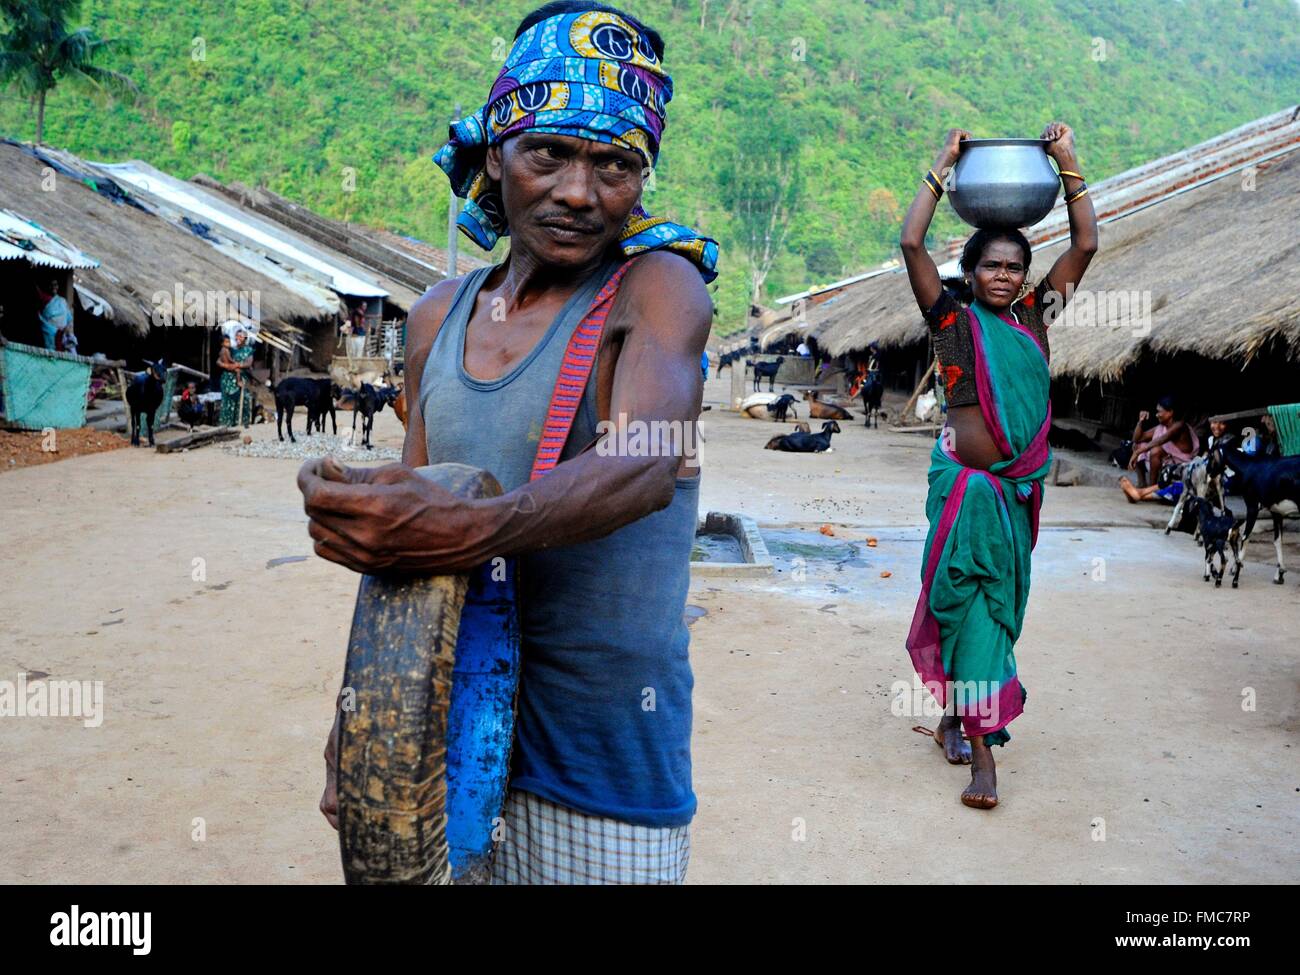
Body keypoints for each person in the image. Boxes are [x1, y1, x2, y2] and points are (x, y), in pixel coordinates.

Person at [299, 0, 718, 884]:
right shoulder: (436, 315)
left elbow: (644, 465)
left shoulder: (660, 289)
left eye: (615, 164)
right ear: (497, 154)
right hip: (439, 735)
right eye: (549, 153)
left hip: (601, 764)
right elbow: (405, 541)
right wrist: (358, 715)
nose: (579, 191)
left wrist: (474, 529)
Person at [899, 123, 1098, 809]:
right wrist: (943, 164)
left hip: (1013, 495)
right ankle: (984, 757)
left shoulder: (1033, 324)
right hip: (962, 491)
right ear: (971, 271)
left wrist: (1067, 163)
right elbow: (910, 243)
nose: (1004, 276)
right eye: (992, 265)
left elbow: (1086, 244)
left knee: (993, 614)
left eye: (1015, 267)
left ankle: (960, 713)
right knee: (966, 608)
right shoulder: (951, 322)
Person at [218, 329, 255, 427]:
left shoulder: (248, 350)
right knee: (228, 402)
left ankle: (242, 424)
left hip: (242, 378)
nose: (239, 338)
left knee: (243, 401)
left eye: (241, 336)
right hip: (228, 379)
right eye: (237, 336)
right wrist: (228, 366)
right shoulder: (231, 349)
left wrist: (238, 365)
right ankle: (226, 425)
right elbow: (219, 361)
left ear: (245, 338)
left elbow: (249, 363)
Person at [35, 282, 72, 351]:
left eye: (55, 285)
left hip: (63, 336)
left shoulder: (62, 301)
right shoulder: (43, 298)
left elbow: (69, 318)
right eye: (51, 285)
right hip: (49, 334)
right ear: (47, 287)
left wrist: (67, 329)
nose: (53, 287)